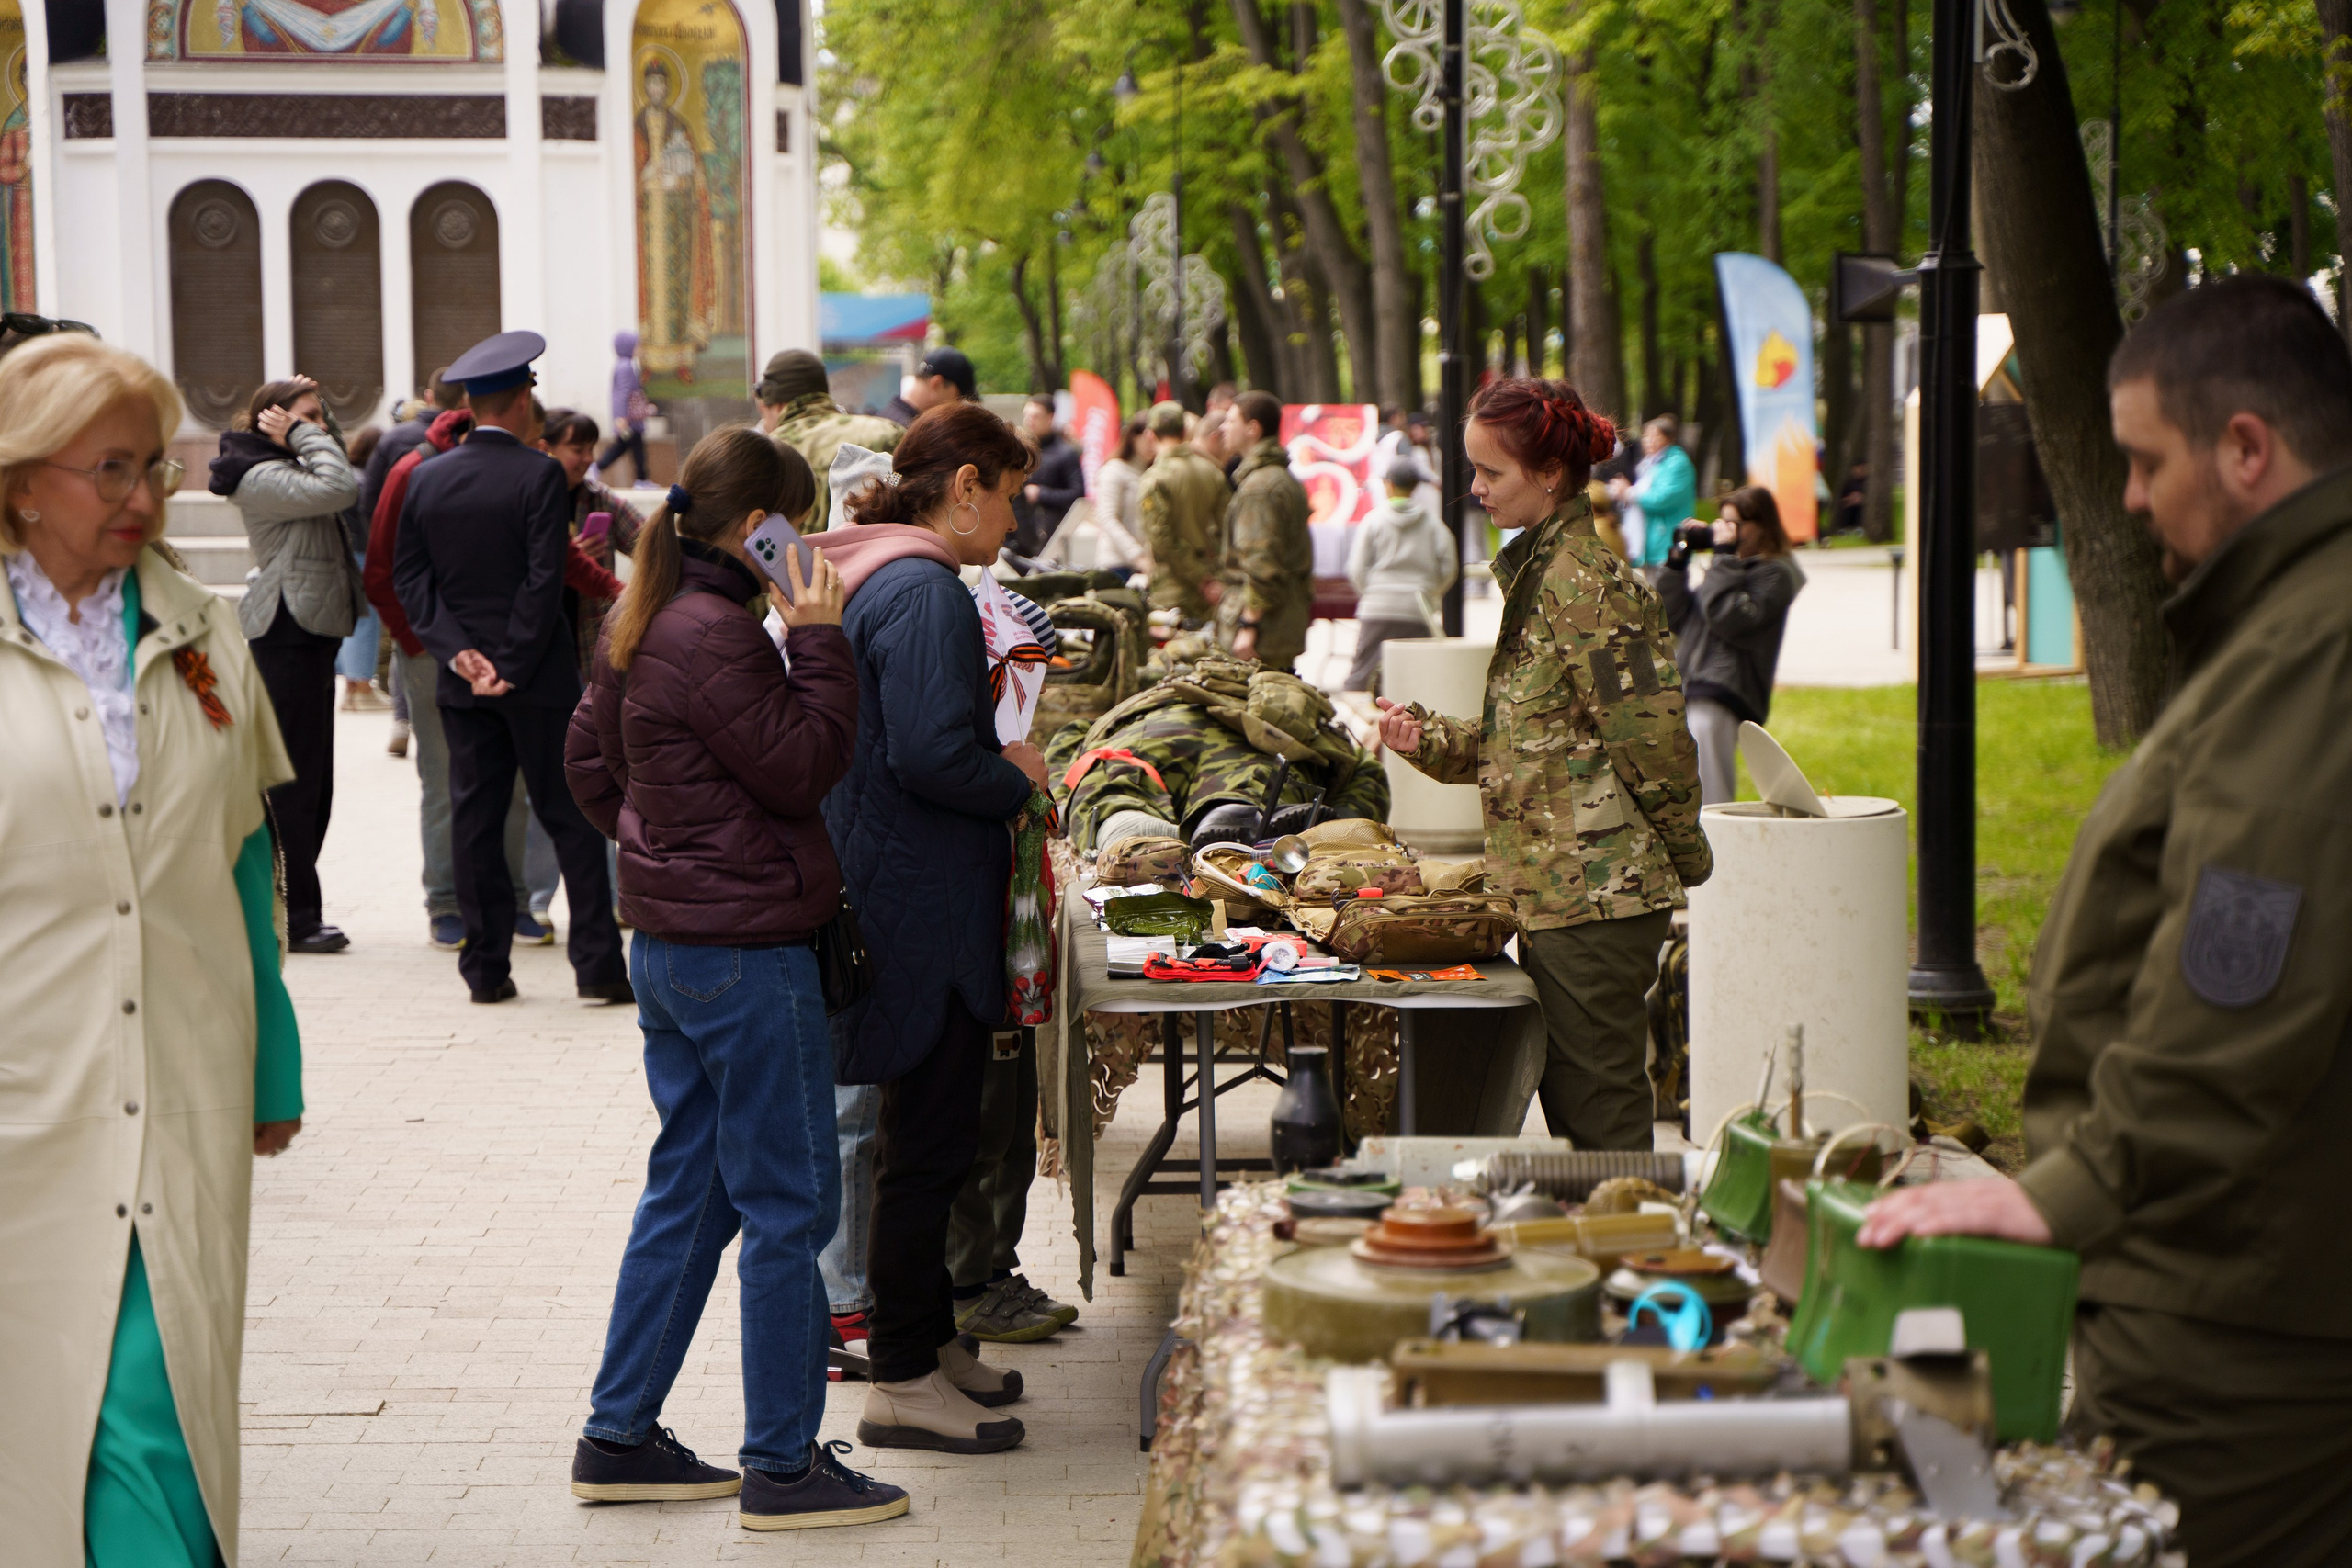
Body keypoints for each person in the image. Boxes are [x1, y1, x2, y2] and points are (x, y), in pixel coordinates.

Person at [1855, 275, 2352, 1568]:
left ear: (2248, 447)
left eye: (2146, 460)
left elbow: (2249, 973)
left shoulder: (2316, 645)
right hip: (2244, 1275)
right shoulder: (2293, 620)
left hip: (2234, 1313)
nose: (2126, 496)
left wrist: (2074, 1187)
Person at [563, 429, 904, 1530]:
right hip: (744, 956)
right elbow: (806, 762)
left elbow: (588, 764)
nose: (802, 544)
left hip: (677, 949)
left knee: (695, 1194)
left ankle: (618, 1439)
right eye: (792, 524)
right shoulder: (720, 634)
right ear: (754, 524)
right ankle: (785, 1464)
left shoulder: (646, 613)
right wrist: (819, 639)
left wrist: (666, 844)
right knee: (787, 1208)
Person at [0, 333, 304, 1568]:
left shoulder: (201, 631)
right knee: (61, 1418)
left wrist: (270, 1061)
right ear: (21, 480)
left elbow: (243, 858)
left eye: (155, 471)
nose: (142, 498)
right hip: (28, 1096)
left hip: (184, 1076)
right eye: (108, 469)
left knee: (164, 1391)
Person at [1375, 378, 1710, 1151]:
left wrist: (1686, 857)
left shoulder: (1583, 584)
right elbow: (1532, 741)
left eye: (1493, 472)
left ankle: (1636, 1258)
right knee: (1581, 1104)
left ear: (1551, 475)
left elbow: (1655, 744)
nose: (1476, 487)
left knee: (1602, 1118)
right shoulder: (1545, 576)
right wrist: (1422, 737)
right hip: (1566, 894)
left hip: (1595, 899)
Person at [814, 401, 1045, 1454]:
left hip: (910, 891)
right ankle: (902, 1378)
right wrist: (1019, 780)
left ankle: (928, 1338)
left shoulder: (898, 577)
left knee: (934, 1139)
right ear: (963, 486)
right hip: (918, 907)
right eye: (1006, 494)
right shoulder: (923, 592)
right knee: (926, 1145)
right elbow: (931, 755)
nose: (1010, 516)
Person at [391, 330, 628, 1006]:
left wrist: (458, 652)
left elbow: (414, 580)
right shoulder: (539, 474)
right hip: (540, 677)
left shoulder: (426, 474)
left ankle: (486, 969)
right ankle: (598, 967)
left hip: (464, 682)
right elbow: (542, 575)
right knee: (572, 816)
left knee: (476, 820)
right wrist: (513, 662)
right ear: (523, 400)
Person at [366, 407, 547, 950]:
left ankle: (513, 898)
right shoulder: (414, 472)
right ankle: (446, 902)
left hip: (505, 650)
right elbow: (384, 571)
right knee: (445, 779)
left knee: (513, 781)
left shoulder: (519, 468)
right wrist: (420, 643)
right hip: (431, 653)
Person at [212, 374, 368, 954]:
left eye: (319, 419)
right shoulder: (260, 475)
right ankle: (295, 914)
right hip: (286, 630)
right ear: (273, 424)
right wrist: (304, 431)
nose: (319, 429)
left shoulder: (290, 461)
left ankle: (295, 905)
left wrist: (312, 417)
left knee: (313, 780)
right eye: (304, 419)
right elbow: (339, 485)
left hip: (308, 629)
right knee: (292, 783)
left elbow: (335, 460)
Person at [1655, 484, 1804, 806]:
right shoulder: (1729, 567)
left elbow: (1730, 617)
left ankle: (1722, 852)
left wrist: (1723, 559)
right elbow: (1671, 616)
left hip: (1723, 691)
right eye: (1722, 523)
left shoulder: (1777, 574)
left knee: (1712, 793)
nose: (1725, 532)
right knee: (1682, 793)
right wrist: (1679, 559)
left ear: (1762, 526)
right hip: (1691, 686)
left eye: (1734, 524)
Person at [1216, 389, 1314, 671]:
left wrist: (1249, 624)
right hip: (1277, 623)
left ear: (1252, 428)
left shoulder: (1260, 488)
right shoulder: (1279, 479)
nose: (1223, 427)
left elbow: (1261, 563)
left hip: (1264, 630)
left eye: (1230, 421)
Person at [1346, 457, 1459, 693]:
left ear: (1388, 484)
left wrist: (1373, 593)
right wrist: (1431, 592)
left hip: (1378, 607)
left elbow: (1356, 568)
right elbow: (1449, 566)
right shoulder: (1432, 523)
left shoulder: (1373, 520)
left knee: (1361, 678)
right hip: (1418, 609)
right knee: (1419, 681)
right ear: (1415, 486)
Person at [761, 348, 901, 534]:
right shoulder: (886, 433)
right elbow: (910, 493)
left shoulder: (766, 454)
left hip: (796, 561)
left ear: (773, 399)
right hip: (880, 557)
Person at [1136, 399, 1230, 624]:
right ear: (1185, 431)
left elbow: (1161, 539)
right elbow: (1227, 529)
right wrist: (1211, 579)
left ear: (1150, 435)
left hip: (1172, 590)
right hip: (1211, 591)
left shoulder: (1155, 478)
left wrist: (1199, 579)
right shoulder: (1213, 472)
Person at [359, 367, 463, 528]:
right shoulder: (472, 439)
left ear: (429, 397)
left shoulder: (393, 438)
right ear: (465, 400)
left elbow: (370, 501)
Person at [336, 423, 390, 713]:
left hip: (346, 556)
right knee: (365, 621)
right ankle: (362, 687)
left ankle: (352, 690)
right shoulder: (364, 482)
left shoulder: (347, 475)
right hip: (361, 555)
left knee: (352, 621)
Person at [1611, 414, 1697, 570]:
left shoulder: (1677, 463)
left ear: (1668, 438)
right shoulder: (1650, 463)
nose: (1649, 440)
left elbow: (1661, 499)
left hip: (1667, 544)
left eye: (1655, 435)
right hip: (1650, 545)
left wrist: (1628, 493)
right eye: (1646, 435)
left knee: (1666, 590)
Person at [1013, 394, 1085, 558]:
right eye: (1027, 416)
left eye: (1035, 416)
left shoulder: (1065, 453)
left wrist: (1041, 494)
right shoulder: (1018, 451)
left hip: (1048, 537)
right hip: (1016, 533)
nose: (1029, 421)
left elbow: (1078, 495)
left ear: (1050, 418)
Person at [1090, 414, 1155, 578]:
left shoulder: (1153, 473)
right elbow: (1106, 517)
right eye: (1147, 439)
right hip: (1117, 565)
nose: (1151, 446)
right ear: (1133, 437)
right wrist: (1138, 556)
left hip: (1148, 567)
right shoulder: (1114, 470)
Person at [596, 331, 651, 485]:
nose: (640, 349)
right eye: (637, 345)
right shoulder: (626, 367)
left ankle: (642, 479)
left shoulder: (623, 365)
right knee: (628, 447)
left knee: (629, 446)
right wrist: (622, 417)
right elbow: (624, 393)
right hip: (630, 420)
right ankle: (641, 479)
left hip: (629, 419)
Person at [882, 346, 974, 428]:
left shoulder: (884, 418)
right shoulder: (914, 437)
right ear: (937, 384)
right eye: (959, 398)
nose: (958, 406)